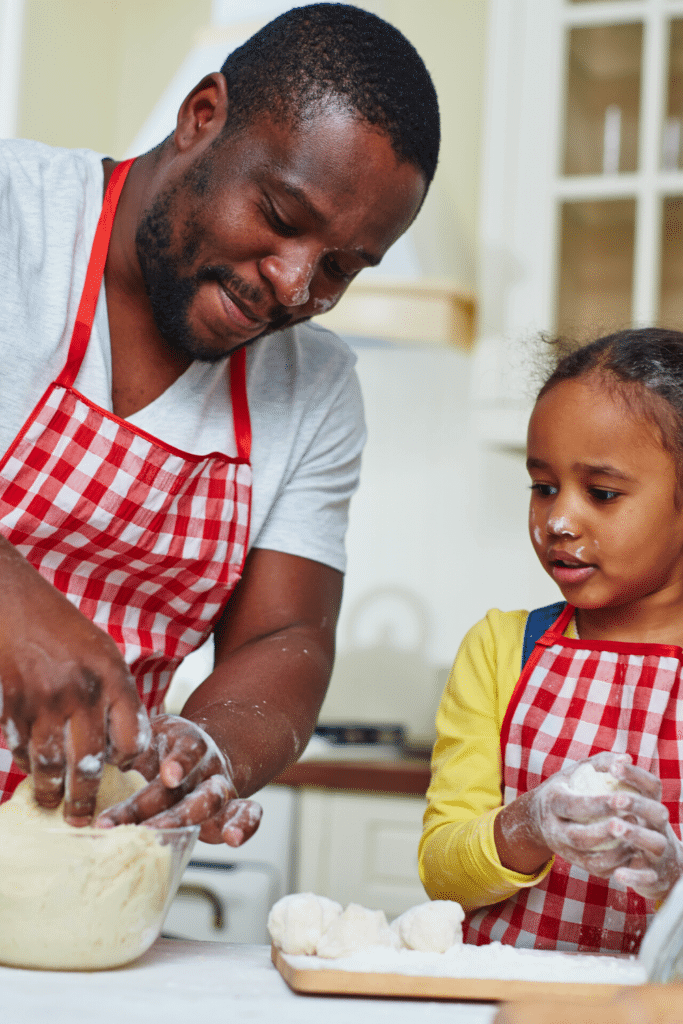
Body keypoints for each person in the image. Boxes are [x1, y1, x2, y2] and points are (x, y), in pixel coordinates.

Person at [0, 3, 440, 845]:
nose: (294, 285)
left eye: (342, 268)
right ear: (202, 118)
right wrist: (17, 607)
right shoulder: (16, 218)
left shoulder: (314, 388)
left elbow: (287, 634)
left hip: (71, 863)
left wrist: (210, 750)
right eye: (280, 216)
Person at [419, 327, 683, 954]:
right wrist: (528, 824)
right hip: (510, 1003)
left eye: (602, 493)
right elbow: (441, 870)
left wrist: (675, 886)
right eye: (543, 487)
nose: (559, 521)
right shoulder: (502, 649)